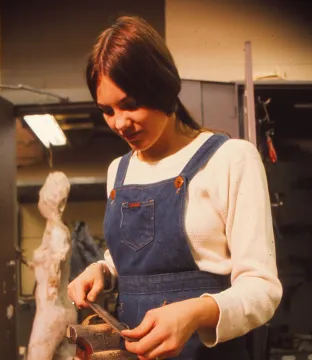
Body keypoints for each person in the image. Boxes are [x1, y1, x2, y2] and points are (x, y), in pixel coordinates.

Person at [68, 15, 282, 360]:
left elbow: (263, 291)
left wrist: (195, 312)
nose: (119, 123)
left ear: (162, 88)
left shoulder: (230, 159)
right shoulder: (118, 171)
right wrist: (104, 270)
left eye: (130, 104)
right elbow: (137, 257)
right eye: (107, 110)